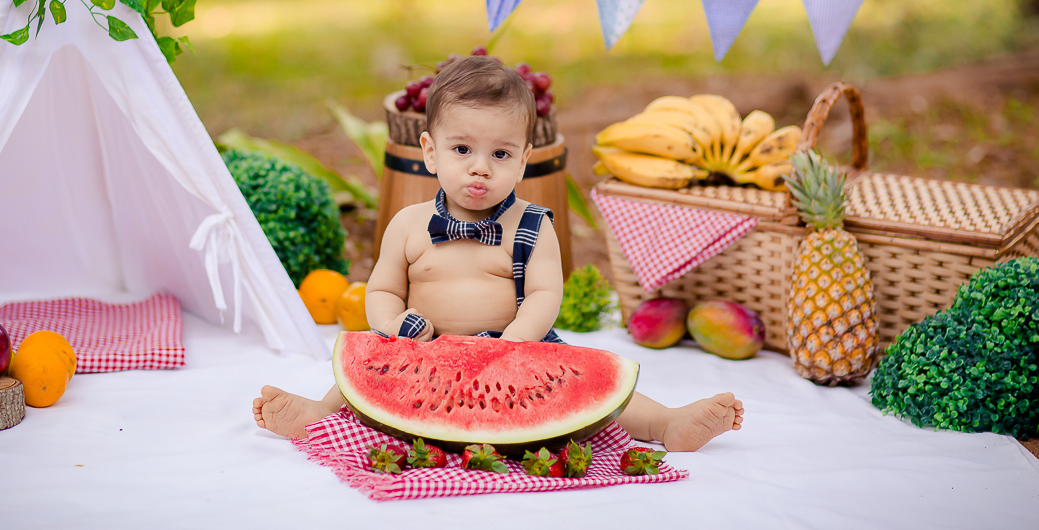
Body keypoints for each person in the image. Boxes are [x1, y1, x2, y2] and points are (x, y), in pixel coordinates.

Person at [253, 56, 744, 451]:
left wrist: (516, 342)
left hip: (515, 348)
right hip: (421, 347)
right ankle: (316, 416)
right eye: (462, 150)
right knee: (361, 370)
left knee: (586, 381)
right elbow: (381, 290)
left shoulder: (532, 225)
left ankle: (664, 423)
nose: (480, 169)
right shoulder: (407, 225)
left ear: (525, 159)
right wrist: (397, 326)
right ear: (430, 151)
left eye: (501, 155)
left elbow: (545, 293)